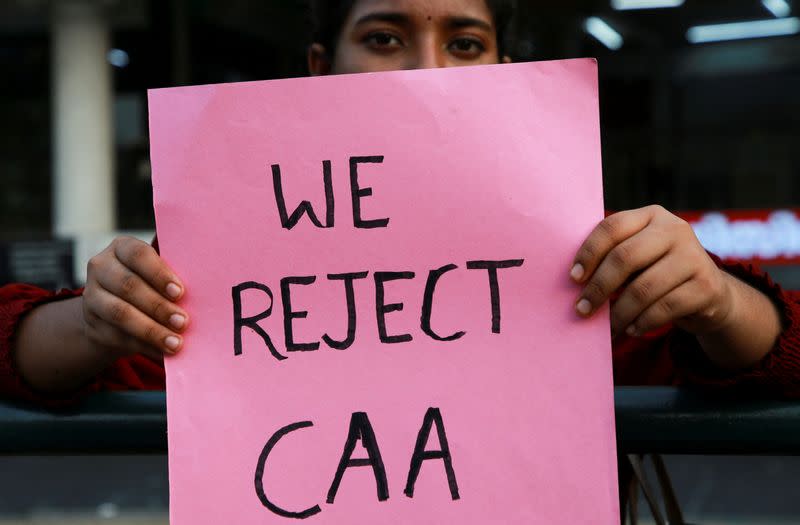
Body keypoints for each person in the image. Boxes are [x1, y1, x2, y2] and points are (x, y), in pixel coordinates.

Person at [1, 0, 799, 407]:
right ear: (321, 64)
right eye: (384, 37)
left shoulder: (570, 250)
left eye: (464, 41)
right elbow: (37, 354)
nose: (428, 71)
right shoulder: (242, 265)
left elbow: (764, 360)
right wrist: (95, 319)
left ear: (501, 65)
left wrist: (719, 301)